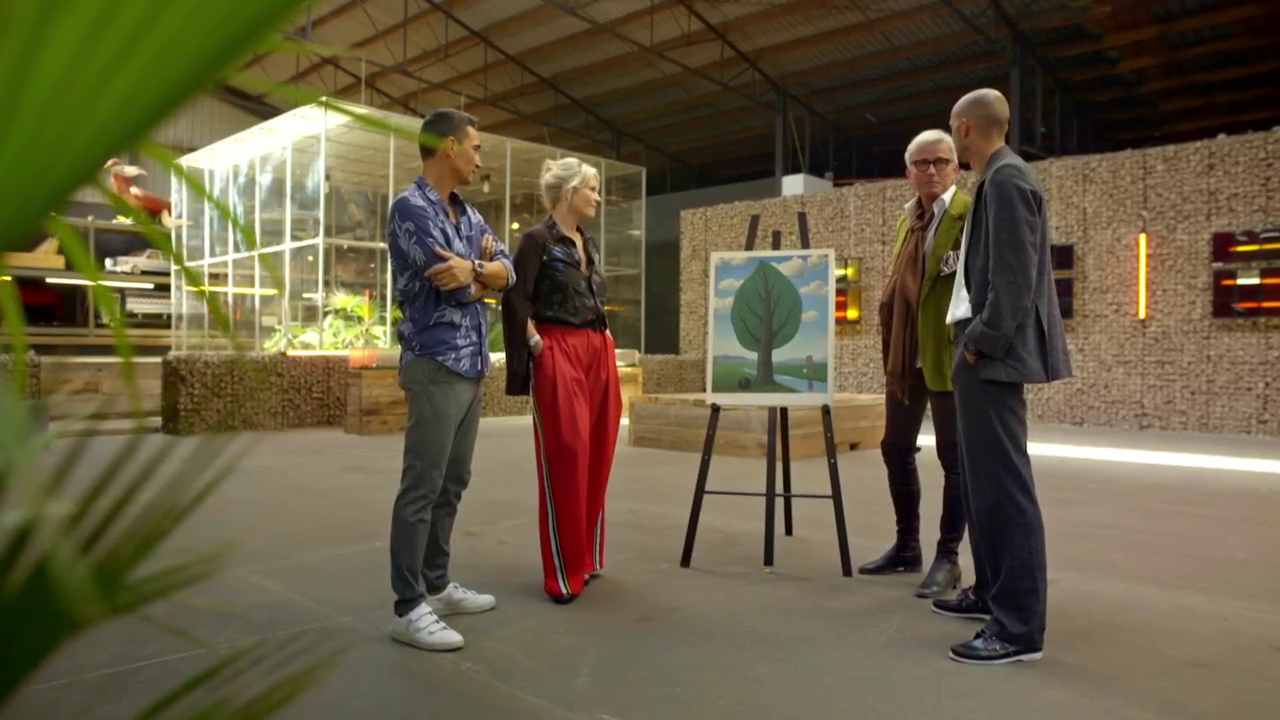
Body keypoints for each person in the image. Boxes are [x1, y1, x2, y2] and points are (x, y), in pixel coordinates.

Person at [938, 88, 1072, 665]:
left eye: (952, 131)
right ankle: (991, 593)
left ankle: (1018, 629)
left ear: (965, 128)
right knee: (982, 486)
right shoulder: (996, 179)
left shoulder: (1009, 180)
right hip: (982, 356)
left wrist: (980, 343)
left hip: (992, 357)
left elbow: (1013, 280)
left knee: (1005, 489)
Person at [386, 108, 515, 652]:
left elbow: (506, 272)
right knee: (423, 484)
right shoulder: (410, 209)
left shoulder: (469, 213)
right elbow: (453, 285)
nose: (480, 159)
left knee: (453, 482)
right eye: (475, 147)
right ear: (448, 147)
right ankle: (408, 605)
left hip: (471, 364)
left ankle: (436, 585)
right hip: (435, 361)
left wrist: (478, 270)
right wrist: (479, 276)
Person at [501, 157, 622, 605]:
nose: (598, 197)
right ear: (569, 192)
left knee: (598, 453)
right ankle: (562, 573)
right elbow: (515, 299)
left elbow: (592, 294)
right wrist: (536, 345)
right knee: (567, 456)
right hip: (558, 350)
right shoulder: (536, 240)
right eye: (592, 188)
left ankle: (585, 557)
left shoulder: (588, 241)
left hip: (597, 350)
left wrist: (606, 337)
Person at [861, 129, 971, 600]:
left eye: (940, 161)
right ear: (908, 172)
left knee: (954, 458)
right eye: (921, 163)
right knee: (895, 447)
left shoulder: (969, 215)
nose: (931, 170)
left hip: (948, 354)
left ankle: (948, 557)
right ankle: (907, 546)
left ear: (956, 168)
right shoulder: (908, 221)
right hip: (907, 356)